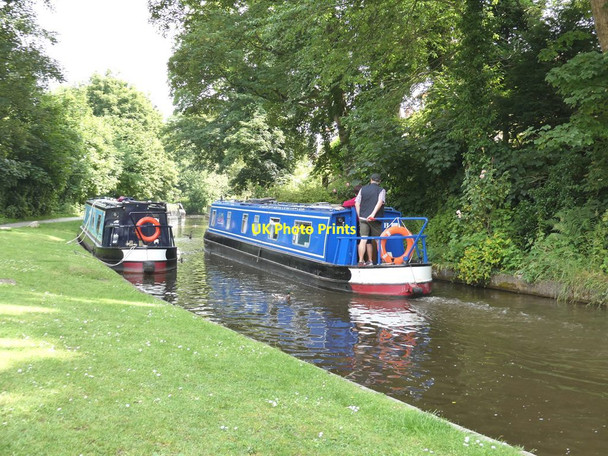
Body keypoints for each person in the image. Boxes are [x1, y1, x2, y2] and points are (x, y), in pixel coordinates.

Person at [355, 173, 386, 266]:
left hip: (363, 218)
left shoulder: (362, 189)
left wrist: (359, 215)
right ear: (379, 181)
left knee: (363, 239)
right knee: (378, 239)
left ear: (370, 180)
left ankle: (361, 261)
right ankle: (382, 260)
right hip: (374, 219)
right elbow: (380, 202)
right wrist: (372, 214)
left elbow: (356, 203)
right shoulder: (381, 190)